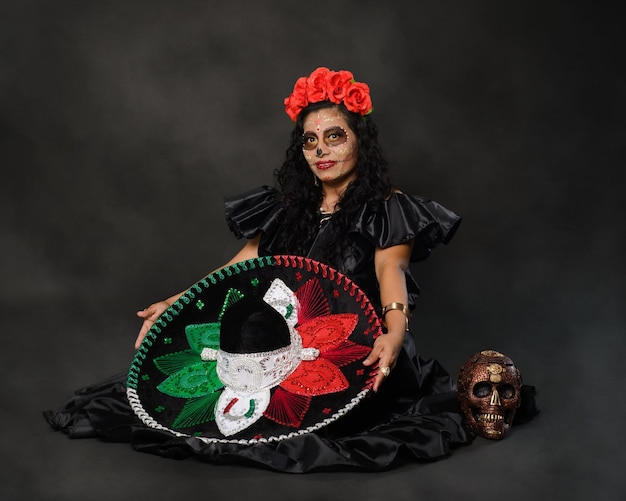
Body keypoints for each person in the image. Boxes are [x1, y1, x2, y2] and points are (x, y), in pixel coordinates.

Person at [45, 67, 476, 472]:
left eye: (334, 136)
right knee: (182, 397)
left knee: (298, 422)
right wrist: (175, 302)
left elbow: (391, 270)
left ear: (360, 141)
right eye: (310, 141)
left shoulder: (387, 208)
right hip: (279, 342)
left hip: (354, 344)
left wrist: (395, 331)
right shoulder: (287, 208)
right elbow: (239, 267)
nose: (321, 150)